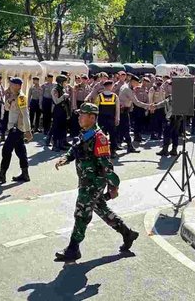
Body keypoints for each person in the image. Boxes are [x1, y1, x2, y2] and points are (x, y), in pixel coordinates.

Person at [54, 103, 139, 262]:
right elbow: (75, 149)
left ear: (92, 118)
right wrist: (65, 158)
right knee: (102, 209)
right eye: (79, 114)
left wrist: (114, 185)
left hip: (93, 183)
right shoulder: (85, 133)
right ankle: (128, 233)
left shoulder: (99, 137)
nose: (79, 117)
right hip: (86, 180)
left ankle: (73, 249)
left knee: (82, 214)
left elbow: (106, 165)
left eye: (82, 115)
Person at [0, 78, 33, 184]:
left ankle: (2, 175)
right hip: (13, 128)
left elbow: (26, 114)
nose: (10, 86)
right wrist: (9, 100)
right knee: (20, 151)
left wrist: (28, 131)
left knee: (6, 150)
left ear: (18, 86)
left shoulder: (21, 97)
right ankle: (25, 174)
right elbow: (7, 109)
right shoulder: (13, 96)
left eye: (12, 84)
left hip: (16, 128)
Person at [118, 75, 153, 154]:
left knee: (121, 129)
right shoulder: (128, 89)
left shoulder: (125, 86)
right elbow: (136, 102)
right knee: (126, 128)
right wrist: (148, 106)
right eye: (137, 83)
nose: (138, 85)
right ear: (133, 82)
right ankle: (129, 146)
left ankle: (117, 145)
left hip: (123, 110)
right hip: (123, 111)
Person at [95, 80, 120, 159]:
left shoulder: (114, 96)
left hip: (107, 119)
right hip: (105, 119)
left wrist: (117, 118)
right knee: (103, 136)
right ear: (109, 86)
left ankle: (112, 151)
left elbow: (117, 108)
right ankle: (105, 151)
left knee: (112, 136)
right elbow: (96, 109)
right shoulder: (100, 96)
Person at [50, 75, 70, 151]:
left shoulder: (63, 89)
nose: (66, 83)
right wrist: (63, 97)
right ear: (61, 82)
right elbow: (56, 101)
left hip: (63, 110)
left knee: (63, 128)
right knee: (56, 128)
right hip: (58, 111)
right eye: (65, 81)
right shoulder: (55, 90)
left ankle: (62, 143)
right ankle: (55, 145)